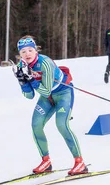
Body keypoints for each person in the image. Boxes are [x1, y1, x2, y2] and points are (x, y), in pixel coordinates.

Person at [13, 35, 88, 176]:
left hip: (63, 93)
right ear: (19, 54)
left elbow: (46, 89)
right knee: (36, 125)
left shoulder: (45, 62)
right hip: (47, 98)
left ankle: (80, 162)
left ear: (36, 50)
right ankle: (46, 161)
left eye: (30, 50)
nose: (27, 54)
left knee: (62, 125)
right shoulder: (21, 67)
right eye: (23, 52)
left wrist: (31, 79)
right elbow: (29, 96)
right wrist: (22, 82)